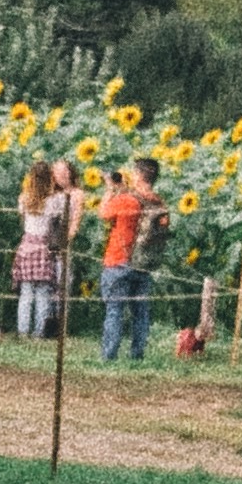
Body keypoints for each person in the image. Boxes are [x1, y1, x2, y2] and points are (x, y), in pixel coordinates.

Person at [98, 155, 167, 363]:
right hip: (144, 263)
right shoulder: (158, 202)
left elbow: (103, 214)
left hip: (119, 259)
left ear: (137, 174)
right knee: (141, 313)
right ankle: (137, 355)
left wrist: (110, 189)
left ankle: (109, 356)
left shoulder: (127, 199)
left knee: (115, 310)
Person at [11, 163, 62, 339]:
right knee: (42, 293)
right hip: (43, 247)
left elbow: (22, 218)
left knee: (25, 293)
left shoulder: (24, 197)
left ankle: (23, 331)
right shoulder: (53, 200)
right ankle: (39, 331)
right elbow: (56, 223)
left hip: (27, 246)